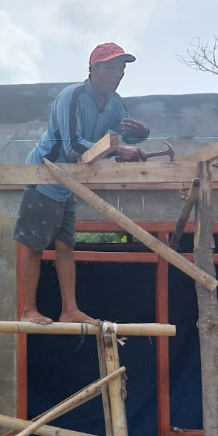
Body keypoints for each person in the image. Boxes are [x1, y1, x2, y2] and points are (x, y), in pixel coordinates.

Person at [13, 42, 150, 325]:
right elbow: (73, 144)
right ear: (94, 69)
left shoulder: (116, 104)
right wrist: (117, 151)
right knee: (35, 244)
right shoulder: (72, 96)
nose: (119, 73)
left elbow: (124, 138)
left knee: (65, 246)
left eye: (122, 68)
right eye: (112, 67)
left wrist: (140, 137)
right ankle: (28, 310)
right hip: (45, 173)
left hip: (70, 182)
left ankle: (69, 310)